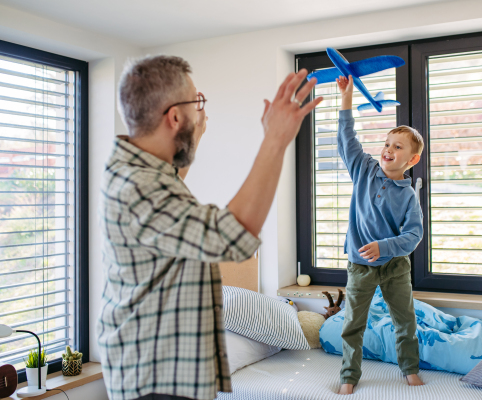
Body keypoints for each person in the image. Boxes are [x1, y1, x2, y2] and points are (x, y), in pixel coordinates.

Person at [96, 55, 321, 400]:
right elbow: (232, 236)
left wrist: (194, 138)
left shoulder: (136, 169)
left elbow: (171, 185)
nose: (201, 112)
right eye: (196, 102)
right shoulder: (139, 188)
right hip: (156, 380)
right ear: (174, 117)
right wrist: (275, 139)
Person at [335, 76, 425, 395]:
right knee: (353, 325)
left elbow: (414, 235)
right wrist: (346, 98)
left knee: (405, 321)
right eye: (387, 144)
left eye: (397, 147)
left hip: (395, 268)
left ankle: (410, 369)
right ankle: (349, 375)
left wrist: (385, 246)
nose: (388, 150)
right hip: (360, 266)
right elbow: (347, 138)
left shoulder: (408, 195)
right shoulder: (363, 169)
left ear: (411, 160)